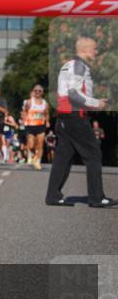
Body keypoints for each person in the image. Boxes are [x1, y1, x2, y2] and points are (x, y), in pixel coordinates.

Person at [45, 36, 113, 208]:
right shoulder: (79, 66)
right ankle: (96, 198)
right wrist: (96, 103)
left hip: (64, 118)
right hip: (75, 118)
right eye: (94, 48)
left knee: (63, 158)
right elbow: (73, 94)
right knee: (93, 154)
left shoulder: (68, 65)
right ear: (84, 50)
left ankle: (53, 196)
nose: (96, 52)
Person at [21, 84, 50, 170]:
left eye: (39, 91)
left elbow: (46, 113)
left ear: (42, 92)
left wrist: (47, 121)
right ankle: (34, 156)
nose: (37, 92)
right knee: (31, 146)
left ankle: (38, 161)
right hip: (30, 126)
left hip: (41, 125)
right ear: (33, 91)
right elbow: (24, 111)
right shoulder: (29, 102)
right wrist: (24, 120)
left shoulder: (45, 103)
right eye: (36, 90)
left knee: (40, 144)